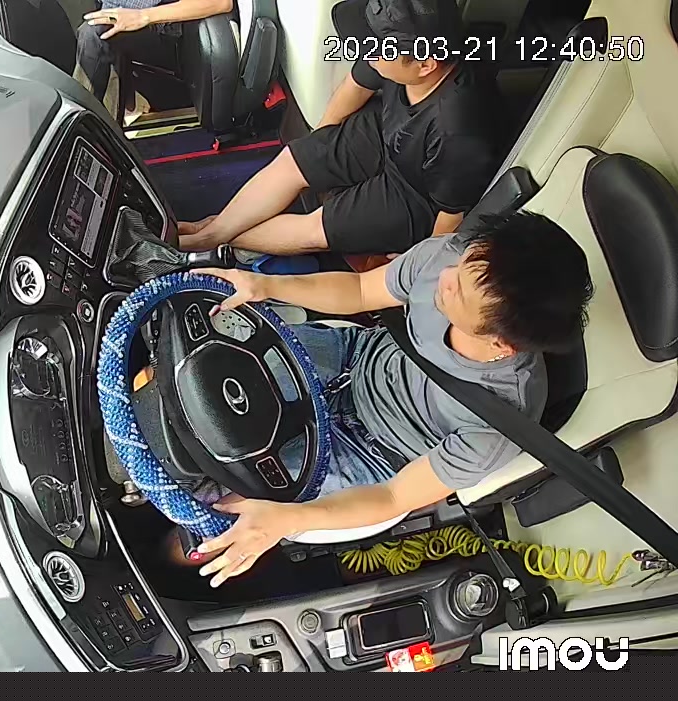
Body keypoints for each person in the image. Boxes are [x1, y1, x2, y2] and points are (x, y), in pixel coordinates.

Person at [166, 211, 594, 587]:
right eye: (463, 264)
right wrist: (265, 285)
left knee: (223, 505)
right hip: (355, 357)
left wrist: (286, 520)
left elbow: (394, 497)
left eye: (459, 293)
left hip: (377, 457)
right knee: (202, 370)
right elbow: (359, 290)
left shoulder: (499, 424)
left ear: (502, 344)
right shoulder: (451, 259)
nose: (446, 278)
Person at [179, 0, 502, 258]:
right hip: (385, 129)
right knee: (295, 160)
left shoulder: (458, 131)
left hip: (416, 192)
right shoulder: (398, 52)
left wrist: (418, 262)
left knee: (313, 231)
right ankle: (213, 230)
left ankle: (211, 241)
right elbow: (355, 86)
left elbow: (450, 216)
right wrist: (320, 145)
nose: (368, 53)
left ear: (426, 64)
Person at [77, 0, 235, 105]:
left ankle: (79, 132)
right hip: (115, 16)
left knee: (95, 34)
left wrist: (143, 16)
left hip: (166, 26)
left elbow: (220, 2)